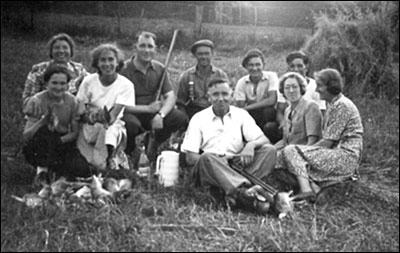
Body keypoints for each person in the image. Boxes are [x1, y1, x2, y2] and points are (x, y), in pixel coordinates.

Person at [181, 79, 277, 214]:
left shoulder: (241, 114)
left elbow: (264, 140)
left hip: (237, 164)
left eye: (225, 94)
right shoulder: (198, 118)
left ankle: (231, 189)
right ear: (209, 98)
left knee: (270, 151)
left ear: (231, 96)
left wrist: (250, 145)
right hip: (212, 166)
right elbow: (190, 158)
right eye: (215, 95)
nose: (221, 99)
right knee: (207, 157)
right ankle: (243, 191)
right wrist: (220, 162)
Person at [281, 68, 363, 200]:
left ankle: (306, 190)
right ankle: (316, 187)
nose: (316, 90)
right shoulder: (332, 103)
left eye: (320, 86)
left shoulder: (342, 105)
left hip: (344, 156)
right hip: (334, 153)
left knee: (290, 151)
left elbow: (327, 142)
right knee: (283, 160)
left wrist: (299, 153)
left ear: (331, 86)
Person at [120, 31, 187, 159]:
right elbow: (118, 105)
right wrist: (147, 108)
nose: (146, 50)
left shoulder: (159, 68)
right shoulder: (123, 69)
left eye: (150, 46)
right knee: (131, 125)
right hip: (131, 113)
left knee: (179, 117)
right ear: (135, 47)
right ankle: (129, 150)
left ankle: (154, 141)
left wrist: (160, 115)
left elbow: (171, 96)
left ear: (155, 49)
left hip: (153, 114)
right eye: (142, 46)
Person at [22, 65, 93, 185]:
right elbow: (26, 136)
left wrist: (58, 142)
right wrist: (42, 121)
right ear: (46, 84)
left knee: (83, 170)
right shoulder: (37, 101)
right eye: (54, 83)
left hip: (62, 140)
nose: (59, 87)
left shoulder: (72, 101)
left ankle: (54, 170)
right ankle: (42, 171)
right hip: (39, 142)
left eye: (62, 83)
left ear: (67, 85)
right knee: (45, 135)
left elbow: (74, 133)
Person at [76, 44, 136, 171]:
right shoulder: (88, 81)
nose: (107, 64)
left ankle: (112, 157)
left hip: (111, 124)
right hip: (90, 124)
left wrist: (102, 117)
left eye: (111, 59)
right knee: (85, 165)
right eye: (103, 60)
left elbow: (113, 116)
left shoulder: (126, 85)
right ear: (97, 63)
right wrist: (89, 117)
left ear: (118, 62)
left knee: (109, 133)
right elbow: (80, 110)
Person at [270, 51, 326, 139]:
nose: (296, 69)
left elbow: (322, 112)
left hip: (310, 124)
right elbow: (280, 110)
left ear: (306, 67)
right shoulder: (284, 84)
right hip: (291, 123)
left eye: (299, 66)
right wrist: (284, 123)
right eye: (292, 66)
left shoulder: (315, 86)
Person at [22, 33, 88, 107]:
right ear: (51, 51)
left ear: (71, 50)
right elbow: (28, 99)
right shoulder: (39, 70)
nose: (61, 51)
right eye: (57, 48)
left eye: (65, 47)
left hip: (73, 111)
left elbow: (92, 86)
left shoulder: (79, 69)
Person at [233, 48, 281, 143]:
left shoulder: (271, 76)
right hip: (252, 115)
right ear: (246, 66)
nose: (255, 68)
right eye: (251, 65)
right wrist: (245, 110)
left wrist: (248, 108)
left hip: (268, 114)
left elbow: (272, 100)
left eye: (258, 64)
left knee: (268, 112)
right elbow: (240, 106)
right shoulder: (242, 82)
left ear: (263, 65)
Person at [177, 39, 229, 120]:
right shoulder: (187, 76)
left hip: (215, 112)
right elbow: (180, 102)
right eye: (200, 54)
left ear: (212, 54)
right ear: (195, 55)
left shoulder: (221, 75)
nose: (204, 57)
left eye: (207, 54)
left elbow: (227, 100)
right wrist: (186, 120)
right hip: (194, 113)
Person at [274, 72, 322, 151]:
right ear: (283, 91)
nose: (291, 91)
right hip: (289, 151)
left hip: (304, 153)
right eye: (287, 87)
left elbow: (312, 141)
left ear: (301, 88)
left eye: (295, 87)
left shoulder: (310, 106)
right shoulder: (287, 111)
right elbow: (286, 142)